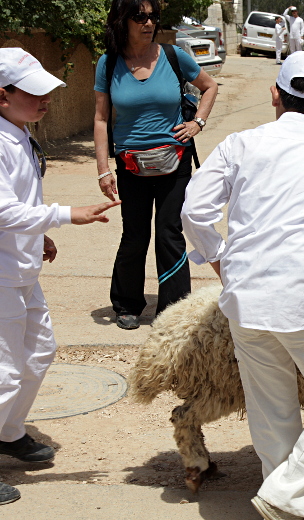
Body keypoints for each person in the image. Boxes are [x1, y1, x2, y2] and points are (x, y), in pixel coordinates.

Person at [181, 51, 304, 520]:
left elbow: (194, 211)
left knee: (272, 409)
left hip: (245, 300)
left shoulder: (239, 144)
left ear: (274, 95)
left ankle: (282, 496)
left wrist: (221, 260)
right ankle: (287, 498)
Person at [0, 47, 120, 505]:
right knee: (4, 371)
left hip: (21, 267)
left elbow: (20, 201)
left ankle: (8, 432)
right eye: (34, 93)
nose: (45, 99)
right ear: (2, 95)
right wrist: (65, 216)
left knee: (38, 353)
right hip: (3, 275)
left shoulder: (19, 131)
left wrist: (39, 235)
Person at [93, 0, 218, 330]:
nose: (148, 23)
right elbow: (101, 117)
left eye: (152, 17)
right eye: (140, 17)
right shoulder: (109, 64)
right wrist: (103, 168)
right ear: (123, 21)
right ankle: (127, 303)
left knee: (169, 233)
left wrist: (197, 124)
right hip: (130, 165)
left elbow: (209, 86)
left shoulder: (174, 56)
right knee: (134, 235)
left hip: (175, 161)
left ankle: (173, 308)